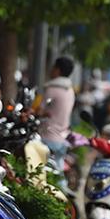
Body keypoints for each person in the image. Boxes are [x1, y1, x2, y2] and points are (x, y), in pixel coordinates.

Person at [39, 57, 76, 187]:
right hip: (63, 137)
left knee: (42, 172)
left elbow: (41, 109)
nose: (51, 70)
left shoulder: (52, 88)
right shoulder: (70, 90)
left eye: (53, 67)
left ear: (58, 70)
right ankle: (64, 202)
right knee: (58, 170)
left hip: (49, 136)